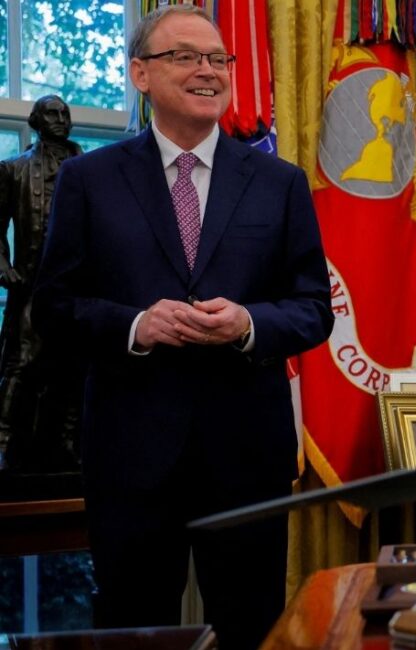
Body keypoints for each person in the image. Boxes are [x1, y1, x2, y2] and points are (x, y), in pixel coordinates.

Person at [31, 6, 332, 649]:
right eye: (186, 56)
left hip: (246, 459)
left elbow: (313, 309)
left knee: (254, 631)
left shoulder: (280, 183)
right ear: (140, 73)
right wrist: (137, 325)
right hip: (130, 456)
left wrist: (248, 322)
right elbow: (53, 307)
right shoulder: (89, 178)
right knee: (135, 632)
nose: (208, 70)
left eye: (218, 59)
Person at [0, 95, 84, 472]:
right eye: (52, 113)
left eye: (65, 113)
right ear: (35, 120)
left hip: (81, 292)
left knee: (75, 367)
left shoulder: (92, 172)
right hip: (31, 286)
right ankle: (3, 444)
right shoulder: (14, 171)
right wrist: (5, 269)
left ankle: (69, 448)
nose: (60, 119)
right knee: (20, 366)